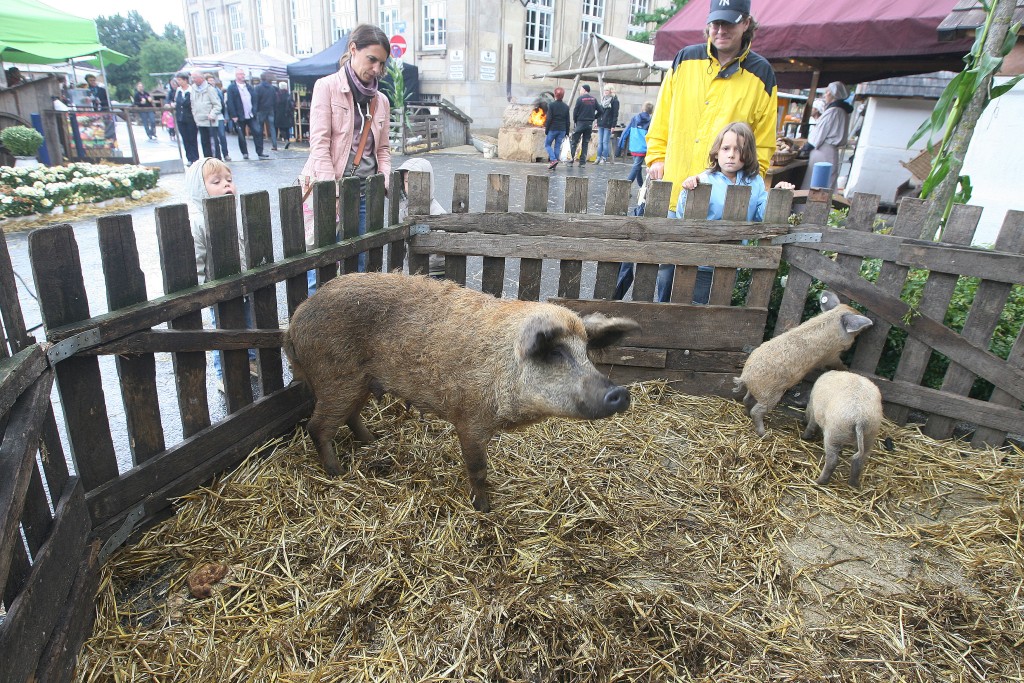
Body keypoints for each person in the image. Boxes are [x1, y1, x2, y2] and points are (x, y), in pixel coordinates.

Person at [645, 0, 778, 303]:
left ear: (746, 23)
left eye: (729, 23)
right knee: (667, 274)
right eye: (715, 23)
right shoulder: (685, 59)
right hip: (677, 187)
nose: (720, 30)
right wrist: (657, 156)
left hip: (723, 202)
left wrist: (749, 184)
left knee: (711, 283)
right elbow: (662, 114)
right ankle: (664, 326)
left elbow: (764, 141)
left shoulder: (761, 73)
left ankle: (698, 330)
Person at [300, 23, 391, 295]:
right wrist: (332, 191)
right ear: (353, 49)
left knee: (360, 266)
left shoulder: (381, 101)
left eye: (382, 63)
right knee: (321, 264)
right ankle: (315, 320)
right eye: (371, 59)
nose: (376, 69)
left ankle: (353, 319)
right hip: (331, 190)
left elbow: (383, 149)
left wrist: (385, 180)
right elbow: (319, 144)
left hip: (365, 194)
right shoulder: (326, 87)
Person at [185, 156, 256, 390]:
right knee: (223, 331)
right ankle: (223, 373)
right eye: (216, 182)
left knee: (249, 323)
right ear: (199, 189)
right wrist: (200, 291)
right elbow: (196, 258)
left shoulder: (233, 214)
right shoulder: (198, 222)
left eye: (229, 180)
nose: (226, 184)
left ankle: (251, 361)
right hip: (219, 292)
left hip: (243, 284)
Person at [396, 157, 447, 278]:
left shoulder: (438, 213)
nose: (410, 186)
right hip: (412, 269)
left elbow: (441, 245)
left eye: (416, 181)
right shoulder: (404, 211)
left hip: (434, 271)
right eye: (407, 181)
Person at [799, 81, 853, 191]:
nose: (825, 94)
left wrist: (805, 148)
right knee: (826, 182)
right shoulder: (841, 111)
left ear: (833, 94)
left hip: (823, 151)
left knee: (818, 183)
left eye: (827, 92)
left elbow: (819, 133)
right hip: (829, 151)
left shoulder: (833, 111)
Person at [226, 69, 265, 160]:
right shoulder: (231, 87)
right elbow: (230, 102)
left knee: (258, 132)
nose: (243, 76)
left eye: (243, 74)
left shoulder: (249, 87)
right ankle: (245, 153)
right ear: (236, 75)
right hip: (239, 115)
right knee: (241, 135)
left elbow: (254, 99)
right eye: (241, 74)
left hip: (251, 114)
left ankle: (260, 152)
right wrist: (233, 115)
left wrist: (254, 110)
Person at [617, 101, 654, 188]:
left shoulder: (635, 118)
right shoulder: (651, 121)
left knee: (637, 166)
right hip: (643, 147)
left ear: (643, 108)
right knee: (636, 166)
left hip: (633, 146)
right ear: (652, 111)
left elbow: (626, 131)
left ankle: (641, 185)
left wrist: (621, 144)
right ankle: (626, 186)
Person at [190, 70, 221, 159]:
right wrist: (195, 115)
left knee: (214, 143)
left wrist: (212, 114)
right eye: (192, 78)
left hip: (210, 121)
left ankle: (217, 161)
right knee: (204, 143)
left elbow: (217, 105)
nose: (193, 80)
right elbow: (193, 103)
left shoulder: (210, 89)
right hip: (200, 120)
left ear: (201, 78)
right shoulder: (193, 89)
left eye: (194, 78)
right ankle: (207, 161)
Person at [568, 84, 602, 167]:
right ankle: (582, 162)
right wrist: (594, 117)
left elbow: (575, 111)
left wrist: (575, 121)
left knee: (574, 141)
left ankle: (571, 160)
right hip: (589, 124)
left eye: (581, 89)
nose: (580, 91)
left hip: (580, 122)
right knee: (585, 143)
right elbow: (601, 111)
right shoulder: (594, 99)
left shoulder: (580, 99)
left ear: (584, 90)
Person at [173, 72, 200, 165]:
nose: (178, 82)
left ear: (185, 80)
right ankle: (189, 158)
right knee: (185, 139)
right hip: (181, 119)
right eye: (178, 80)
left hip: (191, 118)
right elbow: (176, 102)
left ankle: (195, 158)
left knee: (192, 138)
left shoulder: (192, 90)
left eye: (180, 80)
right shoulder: (178, 90)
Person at [544, 87, 570, 170]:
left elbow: (549, 119)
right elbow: (568, 121)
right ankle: (554, 163)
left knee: (547, 144)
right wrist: (567, 132)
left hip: (553, 129)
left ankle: (553, 160)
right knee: (557, 146)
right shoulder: (566, 107)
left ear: (555, 95)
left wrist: (546, 129)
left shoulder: (551, 105)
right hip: (562, 130)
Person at [207, 75, 230, 161]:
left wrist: (225, 116)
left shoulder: (218, 91)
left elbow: (223, 105)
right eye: (209, 81)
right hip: (211, 117)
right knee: (214, 138)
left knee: (222, 136)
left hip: (220, 116)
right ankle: (217, 156)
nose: (211, 82)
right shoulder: (206, 92)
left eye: (212, 80)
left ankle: (226, 154)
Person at [254, 72, 279, 152]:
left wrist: (256, 110)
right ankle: (274, 145)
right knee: (272, 128)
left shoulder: (258, 88)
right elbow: (275, 100)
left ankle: (260, 147)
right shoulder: (272, 88)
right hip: (270, 109)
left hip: (261, 110)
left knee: (260, 128)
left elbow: (256, 100)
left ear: (261, 78)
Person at [596, 84, 619, 164]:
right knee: (600, 142)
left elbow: (615, 114)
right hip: (601, 123)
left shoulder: (615, 101)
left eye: (607, 90)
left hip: (608, 124)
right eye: (604, 90)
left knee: (605, 142)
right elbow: (600, 111)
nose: (605, 92)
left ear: (611, 91)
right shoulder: (603, 99)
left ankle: (604, 157)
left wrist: (613, 125)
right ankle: (598, 157)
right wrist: (597, 121)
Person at [275, 82, 295, 149]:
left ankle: (286, 140)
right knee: (287, 128)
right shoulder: (288, 95)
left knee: (281, 128)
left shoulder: (278, 95)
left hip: (280, 114)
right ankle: (288, 140)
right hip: (288, 114)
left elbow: (276, 103)